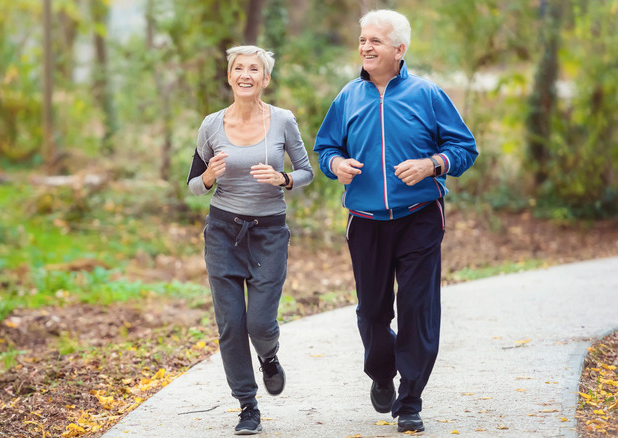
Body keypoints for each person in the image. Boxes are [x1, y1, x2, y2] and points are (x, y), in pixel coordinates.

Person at [313, 9, 478, 434]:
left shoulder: (427, 94)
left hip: (419, 217)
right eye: (363, 39)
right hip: (365, 220)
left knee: (417, 309)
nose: (366, 47)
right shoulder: (348, 96)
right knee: (372, 313)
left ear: (399, 50)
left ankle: (410, 400)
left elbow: (464, 148)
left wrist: (432, 164)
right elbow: (325, 147)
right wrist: (336, 164)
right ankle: (382, 373)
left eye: (375, 41)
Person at [187, 45, 314, 435]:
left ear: (265, 79)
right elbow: (193, 186)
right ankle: (247, 405)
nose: (245, 74)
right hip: (224, 231)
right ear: (230, 77)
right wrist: (209, 176)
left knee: (259, 322)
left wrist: (285, 179)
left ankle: (269, 356)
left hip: (269, 233)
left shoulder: (283, 120)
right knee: (230, 323)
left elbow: (307, 170)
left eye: (254, 69)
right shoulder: (211, 124)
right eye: (238, 68)